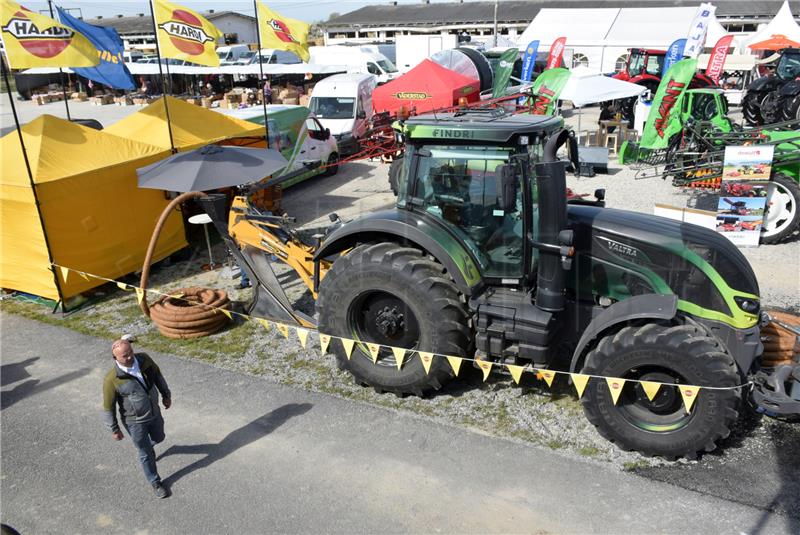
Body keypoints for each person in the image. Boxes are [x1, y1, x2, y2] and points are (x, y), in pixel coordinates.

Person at [103, 339, 172, 498]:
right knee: (144, 452)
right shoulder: (111, 379)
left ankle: (150, 446)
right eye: (124, 356)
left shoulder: (144, 360)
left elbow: (158, 376)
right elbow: (108, 406)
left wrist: (166, 395)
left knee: (159, 437)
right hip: (134, 422)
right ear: (116, 358)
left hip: (154, 412)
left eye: (130, 353)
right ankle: (155, 482)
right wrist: (114, 428)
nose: (129, 358)